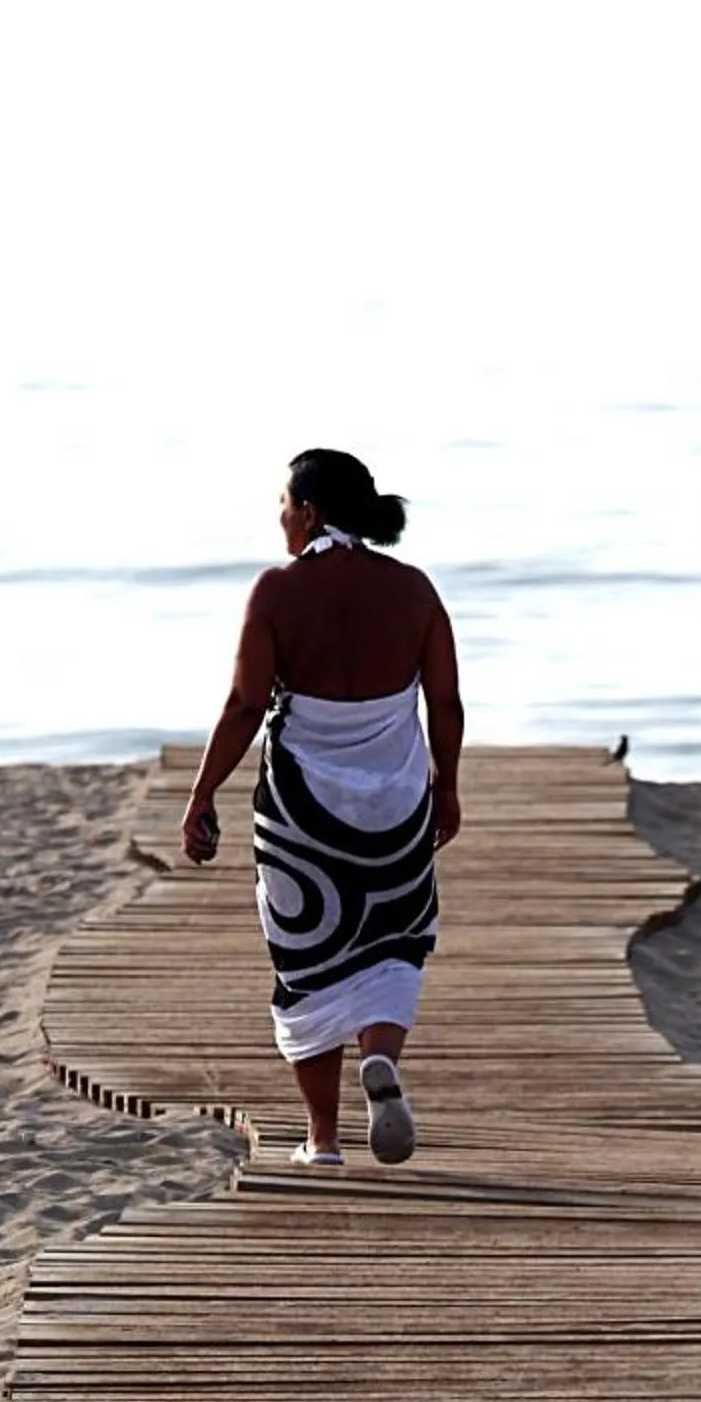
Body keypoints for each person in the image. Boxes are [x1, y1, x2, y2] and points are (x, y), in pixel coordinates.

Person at [181, 449, 464, 1167]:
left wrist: (203, 790)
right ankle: (381, 1057)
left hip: (302, 811)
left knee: (307, 958)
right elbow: (446, 702)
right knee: (395, 938)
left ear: (308, 513)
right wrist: (449, 784)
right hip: (397, 802)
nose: (279, 515)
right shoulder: (413, 590)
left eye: (283, 502)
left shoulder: (277, 592)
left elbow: (247, 704)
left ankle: (323, 1139)